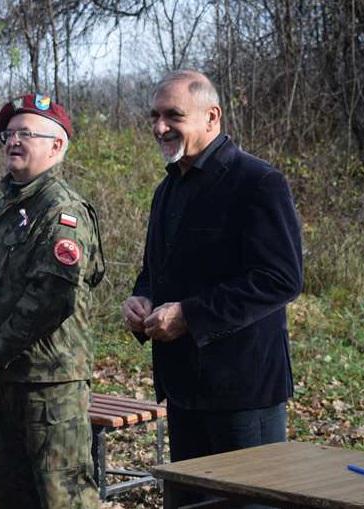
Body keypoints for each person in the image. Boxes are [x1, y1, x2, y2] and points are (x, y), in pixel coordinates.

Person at [121, 70, 303, 506]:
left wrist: (189, 315)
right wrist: (142, 297)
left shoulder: (258, 182)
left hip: (243, 392)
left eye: (173, 115)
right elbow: (156, 269)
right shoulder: (167, 188)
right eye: (154, 116)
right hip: (182, 387)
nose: (159, 127)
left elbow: (280, 278)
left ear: (212, 117)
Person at [0, 94, 105, 509]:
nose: (14, 141)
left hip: (49, 385)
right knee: (11, 493)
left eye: (26, 134)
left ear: (56, 147)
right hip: (3, 378)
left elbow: (51, 297)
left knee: (63, 497)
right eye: (9, 134)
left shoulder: (62, 211)